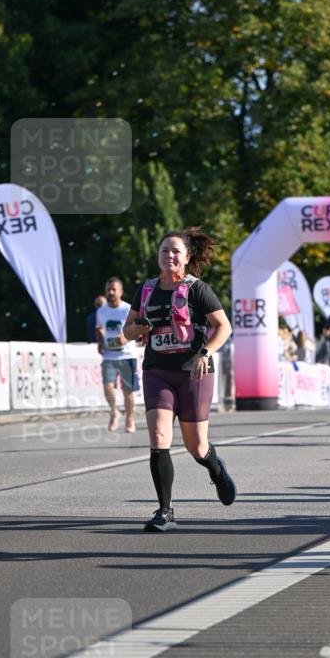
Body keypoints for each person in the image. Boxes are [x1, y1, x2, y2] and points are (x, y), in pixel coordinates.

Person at [123, 227, 235, 531]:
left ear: (186, 257)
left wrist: (206, 352)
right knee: (159, 438)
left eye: (175, 251)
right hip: (157, 371)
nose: (169, 255)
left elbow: (223, 327)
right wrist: (137, 330)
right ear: (158, 256)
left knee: (196, 446)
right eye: (164, 251)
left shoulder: (197, 289)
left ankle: (215, 467)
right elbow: (127, 330)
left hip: (193, 373)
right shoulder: (146, 290)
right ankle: (165, 511)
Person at [95, 278, 138, 433]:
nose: (111, 293)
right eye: (108, 290)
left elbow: (137, 330)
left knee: (128, 391)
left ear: (121, 291)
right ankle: (115, 412)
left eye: (114, 289)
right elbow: (99, 328)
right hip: (109, 357)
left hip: (127, 355)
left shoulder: (128, 309)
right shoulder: (102, 311)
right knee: (107, 387)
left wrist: (125, 338)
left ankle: (130, 418)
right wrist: (100, 342)